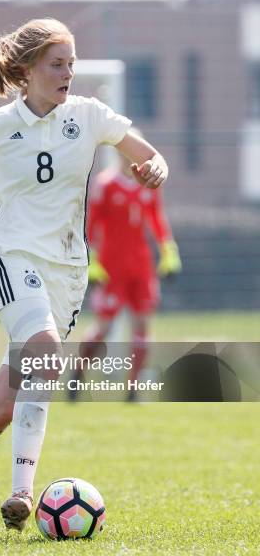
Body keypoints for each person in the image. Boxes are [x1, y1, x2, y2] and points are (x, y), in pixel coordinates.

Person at [0, 18, 168, 535]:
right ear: (26, 71)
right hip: (13, 260)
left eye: (72, 64)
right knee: (44, 348)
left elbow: (150, 158)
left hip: (67, 272)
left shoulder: (87, 116)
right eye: (56, 64)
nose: (67, 74)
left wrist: (155, 170)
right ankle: (22, 492)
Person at [69, 142, 181, 402]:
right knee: (104, 326)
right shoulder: (105, 185)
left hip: (141, 266)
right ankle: (78, 375)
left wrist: (168, 252)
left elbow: (156, 218)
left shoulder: (149, 185)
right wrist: (93, 261)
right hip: (112, 266)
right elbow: (92, 223)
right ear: (118, 154)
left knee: (142, 324)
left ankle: (133, 389)